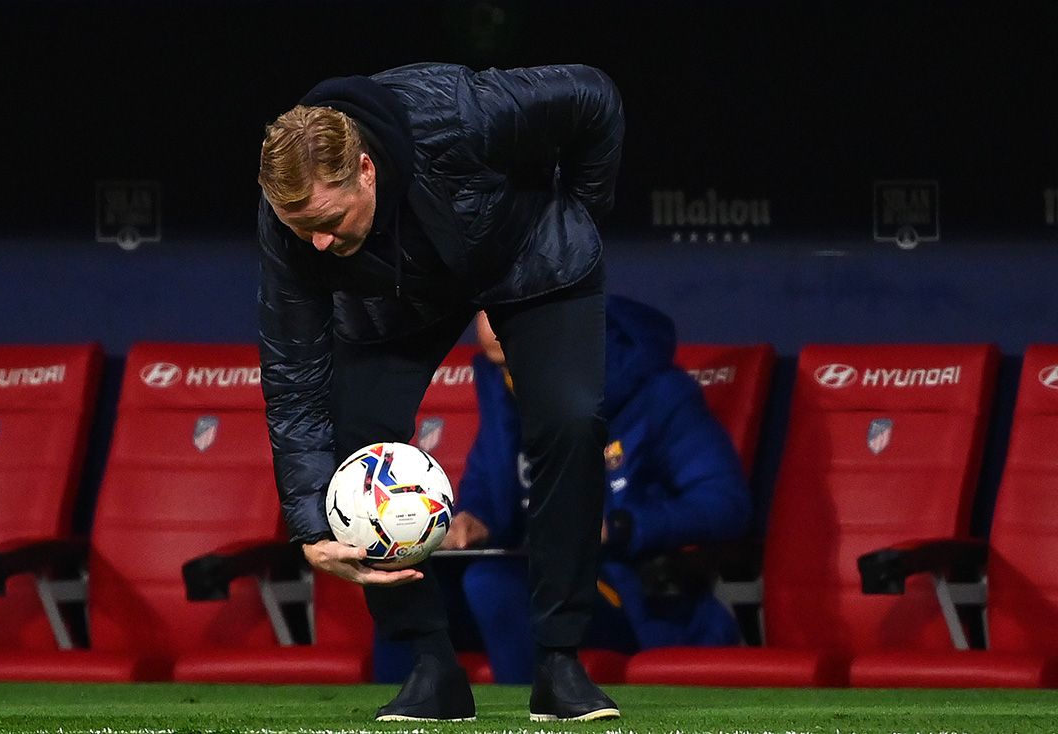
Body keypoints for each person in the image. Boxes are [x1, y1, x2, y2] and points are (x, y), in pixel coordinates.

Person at [255, 64, 625, 722]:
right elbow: (293, 371)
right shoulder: (295, 223)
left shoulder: (461, 114)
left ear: (365, 170)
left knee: (569, 420)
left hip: (527, 253)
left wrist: (580, 216)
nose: (316, 241)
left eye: (330, 220)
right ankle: (431, 665)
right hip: (396, 298)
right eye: (298, 225)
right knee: (357, 439)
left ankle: (560, 662)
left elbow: (593, 99)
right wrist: (311, 525)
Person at [442, 299, 753, 683]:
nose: (511, 378)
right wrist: (474, 519)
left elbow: (726, 504)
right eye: (502, 367)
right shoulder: (501, 388)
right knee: (409, 584)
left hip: (625, 593)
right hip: (529, 580)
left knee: (492, 584)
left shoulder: (655, 393)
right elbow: (487, 486)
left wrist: (616, 526)